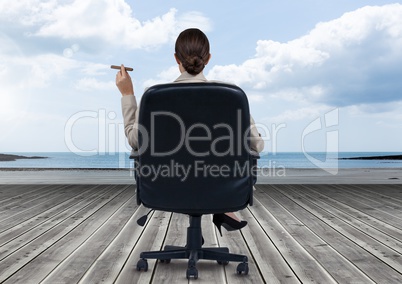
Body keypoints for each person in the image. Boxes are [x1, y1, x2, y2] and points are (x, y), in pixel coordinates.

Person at [116, 28, 264, 236]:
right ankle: (223, 208)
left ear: (176, 58)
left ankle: (221, 208)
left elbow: (135, 141)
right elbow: (256, 145)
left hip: (165, 190)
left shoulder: (155, 97)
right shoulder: (231, 97)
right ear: (209, 58)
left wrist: (127, 94)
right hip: (221, 189)